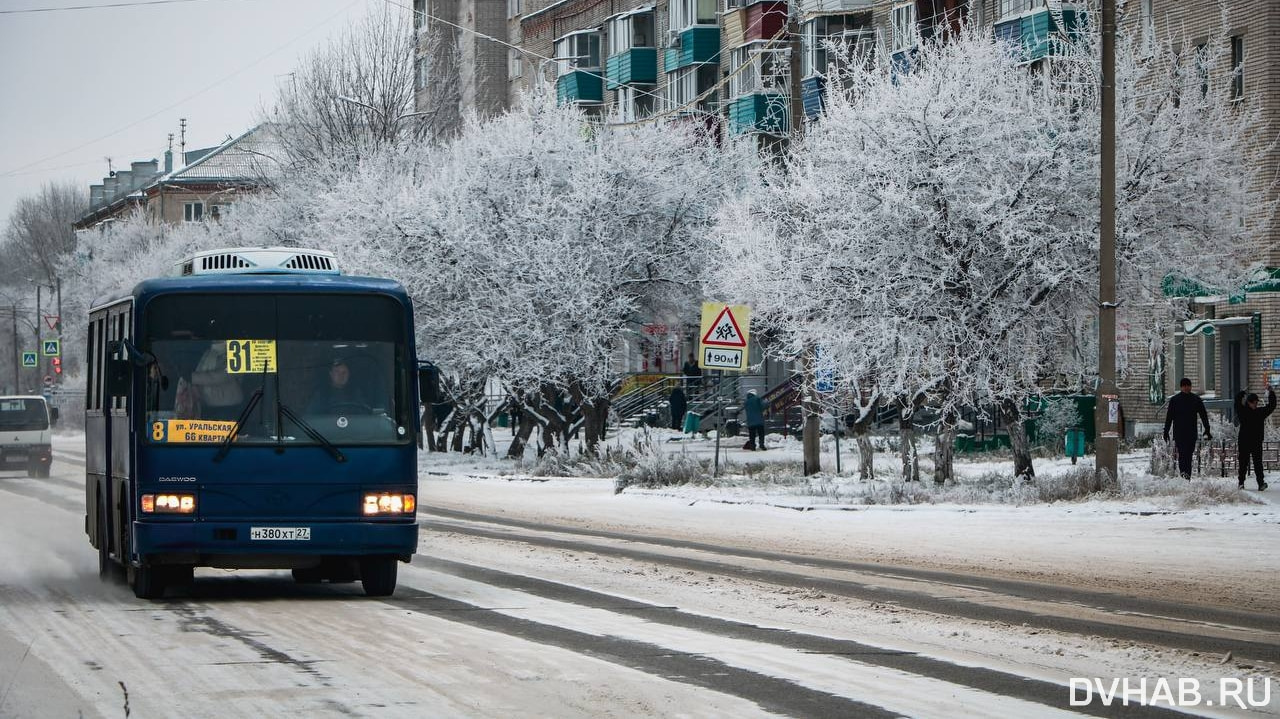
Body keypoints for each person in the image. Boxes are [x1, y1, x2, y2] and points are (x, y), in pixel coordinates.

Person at [1163, 377, 1212, 480]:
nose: (1186, 388)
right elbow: (1169, 417)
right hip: (1179, 433)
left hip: (1191, 432)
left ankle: (1187, 478)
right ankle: (1183, 476)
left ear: (1190, 387)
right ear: (1181, 387)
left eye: (1188, 386)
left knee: (1188, 455)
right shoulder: (1175, 400)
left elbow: (1203, 415)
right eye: (1184, 386)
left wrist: (1207, 428)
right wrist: (1166, 430)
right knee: (1182, 455)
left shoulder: (1196, 399)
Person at [1234, 388, 1275, 490]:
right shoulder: (1245, 412)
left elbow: (1271, 406)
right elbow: (1237, 402)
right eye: (1254, 403)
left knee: (1257, 464)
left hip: (1253, 441)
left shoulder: (1258, 412)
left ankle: (1260, 483)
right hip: (1246, 441)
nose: (1255, 405)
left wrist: (1271, 394)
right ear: (1248, 402)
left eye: (1257, 403)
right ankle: (1241, 483)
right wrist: (1242, 393)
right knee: (1244, 463)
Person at [308, 357, 373, 414]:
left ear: (349, 375)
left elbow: (364, 413)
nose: (341, 375)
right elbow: (311, 416)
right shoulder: (321, 394)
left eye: (344, 372)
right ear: (331, 374)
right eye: (337, 371)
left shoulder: (355, 393)